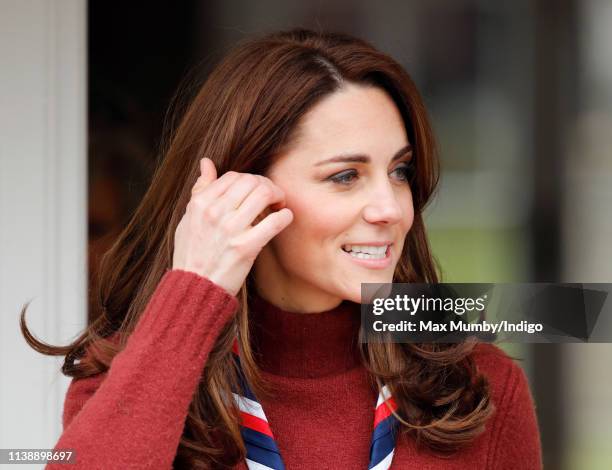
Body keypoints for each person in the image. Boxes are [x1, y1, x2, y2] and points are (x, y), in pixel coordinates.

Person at [21, 28, 541, 469]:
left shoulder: (476, 385)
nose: (391, 208)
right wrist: (194, 291)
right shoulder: (139, 374)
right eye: (345, 176)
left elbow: (577, 312)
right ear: (243, 191)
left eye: (399, 171)